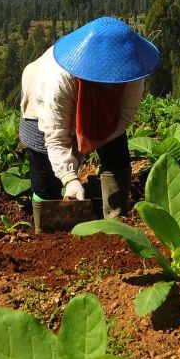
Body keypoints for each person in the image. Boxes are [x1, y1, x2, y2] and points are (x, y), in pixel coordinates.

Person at [19, 16, 160, 229]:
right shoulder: (59, 78)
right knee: (45, 176)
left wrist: (87, 144)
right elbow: (55, 136)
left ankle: (116, 221)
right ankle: (49, 235)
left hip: (100, 113)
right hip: (41, 105)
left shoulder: (132, 73)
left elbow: (123, 119)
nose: (111, 85)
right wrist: (70, 178)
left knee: (116, 155)